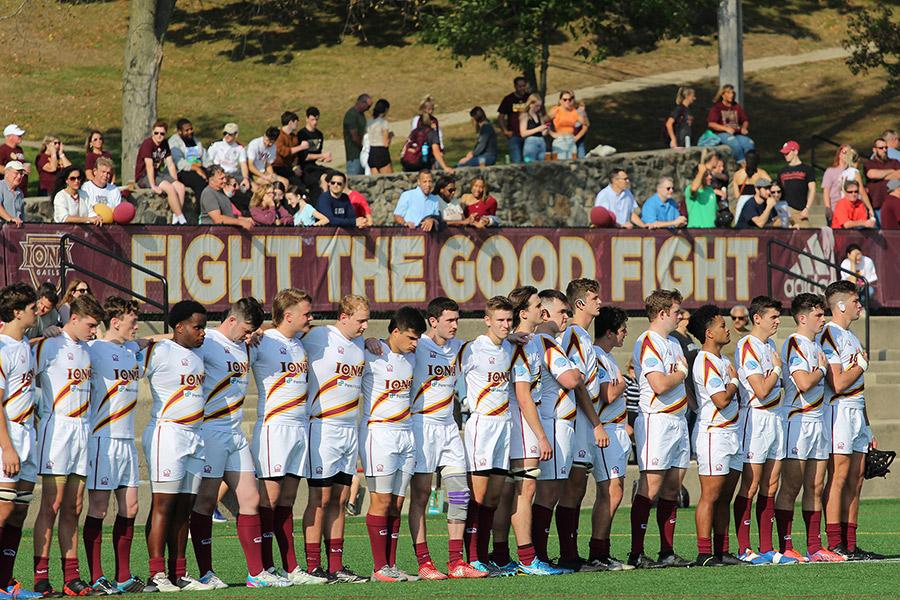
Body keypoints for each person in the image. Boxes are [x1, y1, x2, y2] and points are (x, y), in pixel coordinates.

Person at [189, 298, 286, 589]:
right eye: (246, 329)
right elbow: (173, 341)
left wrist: (257, 333)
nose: (248, 335)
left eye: (251, 331)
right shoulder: (208, 341)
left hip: (234, 433)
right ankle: (206, 572)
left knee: (251, 499)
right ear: (232, 320)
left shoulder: (245, 343)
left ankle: (256, 573)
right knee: (206, 501)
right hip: (211, 431)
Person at [249, 289, 329, 586]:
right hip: (275, 427)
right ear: (288, 315)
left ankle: (291, 567)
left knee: (288, 500)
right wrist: (253, 334)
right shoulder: (264, 341)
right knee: (268, 499)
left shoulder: (300, 343)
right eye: (306, 313)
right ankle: (264, 568)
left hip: (299, 428)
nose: (311, 317)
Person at [406, 298, 486, 580]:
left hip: (449, 427)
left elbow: (492, 345)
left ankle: (456, 562)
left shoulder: (460, 348)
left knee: (460, 493)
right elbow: (389, 346)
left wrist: (512, 337)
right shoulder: (418, 346)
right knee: (421, 494)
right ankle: (424, 562)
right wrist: (372, 342)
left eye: (457, 320)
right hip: (421, 425)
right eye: (449, 320)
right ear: (433, 321)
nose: (455, 325)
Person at [31, 294, 106, 596]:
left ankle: (71, 576)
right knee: (52, 504)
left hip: (82, 430)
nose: (94, 331)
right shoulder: (50, 344)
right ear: (73, 319)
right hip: (58, 428)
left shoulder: (88, 350)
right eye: (90, 325)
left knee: (75, 505)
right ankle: (40, 576)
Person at [141, 301, 214, 592]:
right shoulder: (159, 352)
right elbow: (129, 363)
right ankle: (156, 575)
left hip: (195, 436)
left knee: (185, 507)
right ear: (180, 326)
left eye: (204, 327)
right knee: (164, 505)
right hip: (167, 434)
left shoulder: (199, 352)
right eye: (198, 327)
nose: (202, 332)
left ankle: (179, 573)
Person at [488, 288, 559, 577]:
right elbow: (523, 394)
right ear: (523, 312)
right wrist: (541, 436)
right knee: (524, 488)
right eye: (537, 305)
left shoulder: (528, 341)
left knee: (513, 491)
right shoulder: (519, 345)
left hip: (521, 418)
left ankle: (502, 555)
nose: (543, 309)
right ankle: (528, 559)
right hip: (521, 419)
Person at [301, 294, 370, 583]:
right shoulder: (320, 336)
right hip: (323, 427)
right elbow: (282, 337)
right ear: (343, 317)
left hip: (348, 429)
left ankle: (336, 566)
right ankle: (313, 566)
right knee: (321, 498)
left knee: (341, 498)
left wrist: (371, 341)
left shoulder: (361, 343)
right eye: (361, 320)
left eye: (367, 321)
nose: (365, 326)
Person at [82, 297, 148, 594]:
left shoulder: (130, 349)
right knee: (98, 508)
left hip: (126, 441)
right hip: (102, 439)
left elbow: (151, 340)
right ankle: (97, 576)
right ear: (115, 321)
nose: (137, 326)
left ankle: (123, 576)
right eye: (132, 321)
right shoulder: (94, 349)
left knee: (130, 507)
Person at [773, 294, 844, 563]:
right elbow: (803, 382)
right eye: (818, 315)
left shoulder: (816, 346)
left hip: (818, 420)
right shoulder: (795, 343)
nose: (823, 319)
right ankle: (786, 545)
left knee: (815, 486)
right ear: (802, 318)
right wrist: (822, 370)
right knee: (791, 486)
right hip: (798, 421)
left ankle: (815, 547)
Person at [359, 307, 426, 582]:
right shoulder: (371, 353)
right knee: (382, 500)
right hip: (379, 433)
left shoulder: (412, 356)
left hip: (406, 433)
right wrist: (366, 340)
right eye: (411, 337)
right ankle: (379, 568)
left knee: (397, 503)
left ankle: (391, 565)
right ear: (395, 332)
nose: (415, 343)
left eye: (418, 338)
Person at [628, 289, 692, 569]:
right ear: (663, 313)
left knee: (672, 487)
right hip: (657, 420)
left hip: (677, 419)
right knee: (651, 486)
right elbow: (660, 384)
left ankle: (667, 551)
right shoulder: (648, 341)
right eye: (677, 311)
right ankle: (636, 552)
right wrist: (681, 373)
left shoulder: (674, 343)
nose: (680, 316)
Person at [819, 281, 883, 561]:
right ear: (842, 305)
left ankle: (851, 543)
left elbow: (858, 386)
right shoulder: (829, 334)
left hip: (856, 410)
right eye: (855, 301)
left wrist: (867, 426)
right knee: (839, 476)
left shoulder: (852, 336)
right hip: (839, 410)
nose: (860, 305)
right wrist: (861, 365)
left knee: (856, 479)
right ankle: (835, 542)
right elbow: (837, 383)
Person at [732, 296, 797, 565]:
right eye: (773, 317)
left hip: (775, 417)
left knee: (771, 483)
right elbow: (760, 389)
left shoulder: (770, 345)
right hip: (755, 417)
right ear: (757, 318)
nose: (778, 321)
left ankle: (767, 548)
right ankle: (744, 548)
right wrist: (778, 369)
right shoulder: (747, 345)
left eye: (778, 316)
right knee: (752, 483)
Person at [457, 296, 516, 575]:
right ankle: (473, 558)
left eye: (509, 320)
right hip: (482, 426)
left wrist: (516, 336)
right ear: (487, 320)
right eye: (500, 320)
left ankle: (484, 556)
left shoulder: (510, 347)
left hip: (504, 426)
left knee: (494, 498)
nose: (505, 325)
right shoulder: (471, 349)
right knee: (478, 497)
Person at [557, 279, 609, 572]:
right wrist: (596, 423)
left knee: (577, 487)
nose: (599, 302)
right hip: (578, 418)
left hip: (585, 418)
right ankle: (568, 556)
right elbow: (577, 384)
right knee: (573, 487)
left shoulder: (583, 336)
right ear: (579, 303)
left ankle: (572, 554)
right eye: (594, 297)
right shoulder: (574, 334)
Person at [687, 305, 743, 567]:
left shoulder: (724, 361)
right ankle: (704, 552)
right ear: (709, 333)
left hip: (731, 432)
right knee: (710, 495)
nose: (727, 328)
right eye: (722, 325)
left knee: (724, 496)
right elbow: (721, 399)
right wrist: (734, 382)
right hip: (714, 434)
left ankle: (722, 550)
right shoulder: (705, 360)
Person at [0, 283, 41, 599]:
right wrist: (7, 447)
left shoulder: (25, 344)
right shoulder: (3, 349)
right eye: (31, 308)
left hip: (28, 434)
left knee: (19, 511)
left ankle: (6, 582)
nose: (37, 312)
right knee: (3, 510)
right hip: (9, 436)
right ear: (16, 312)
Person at [588, 307, 636, 570]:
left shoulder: (608, 357)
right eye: (622, 330)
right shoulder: (596, 356)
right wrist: (623, 383)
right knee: (610, 491)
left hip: (617, 429)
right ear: (609, 332)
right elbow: (606, 394)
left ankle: (603, 551)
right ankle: (598, 552)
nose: (625, 334)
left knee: (615, 491)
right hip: (605, 430)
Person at [134, 120, 187, 224]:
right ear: (152, 132)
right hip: (144, 176)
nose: (159, 135)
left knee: (180, 187)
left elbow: (170, 164)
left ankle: (176, 216)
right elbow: (149, 166)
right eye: (156, 133)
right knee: (170, 188)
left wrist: (174, 180)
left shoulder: (164, 143)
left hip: (157, 174)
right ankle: (181, 218)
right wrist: (153, 186)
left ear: (165, 134)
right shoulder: (147, 144)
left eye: (162, 133)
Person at [822, 145, 874, 222]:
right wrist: (870, 208)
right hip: (841, 206)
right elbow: (862, 191)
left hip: (845, 206)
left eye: (848, 153)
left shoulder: (844, 172)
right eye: (844, 152)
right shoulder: (853, 172)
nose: (847, 155)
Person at [706, 84, 754, 164]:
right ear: (723, 95)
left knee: (749, 143)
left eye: (732, 93)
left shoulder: (736, 106)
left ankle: (751, 164)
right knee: (735, 144)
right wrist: (725, 128)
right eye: (728, 93)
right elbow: (711, 124)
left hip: (737, 133)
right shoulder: (717, 107)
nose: (731, 95)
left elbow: (745, 120)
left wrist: (744, 128)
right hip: (722, 133)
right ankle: (741, 164)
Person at [199, 165, 254, 230]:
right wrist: (240, 222)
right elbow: (218, 219)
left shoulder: (221, 192)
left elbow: (228, 216)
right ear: (211, 181)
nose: (225, 180)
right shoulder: (209, 193)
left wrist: (244, 219)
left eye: (224, 177)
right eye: (221, 178)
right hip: (211, 233)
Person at [168, 118, 208, 202]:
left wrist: (212, 169)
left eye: (191, 129)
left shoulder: (196, 141)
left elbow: (205, 158)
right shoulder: (174, 143)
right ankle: (201, 207)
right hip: (183, 171)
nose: (190, 132)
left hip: (199, 167)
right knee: (199, 181)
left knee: (216, 178)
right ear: (179, 131)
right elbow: (179, 163)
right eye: (186, 130)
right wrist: (196, 169)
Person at [776, 140, 816, 223]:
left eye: (787, 153)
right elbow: (778, 191)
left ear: (795, 152)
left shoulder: (807, 169)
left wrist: (807, 208)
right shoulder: (781, 171)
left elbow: (812, 190)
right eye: (784, 153)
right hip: (784, 210)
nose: (785, 155)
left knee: (805, 231)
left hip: (800, 211)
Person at [863, 137, 900, 224]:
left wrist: (881, 176)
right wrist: (892, 171)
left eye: (886, 147)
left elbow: (899, 174)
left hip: (895, 203)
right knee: (882, 231)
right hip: (877, 204)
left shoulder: (894, 162)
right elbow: (871, 174)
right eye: (881, 148)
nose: (884, 150)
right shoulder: (869, 163)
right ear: (874, 150)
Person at [206, 123, 251, 192]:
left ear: (236, 134)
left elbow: (243, 165)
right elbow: (208, 161)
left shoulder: (240, 148)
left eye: (230, 134)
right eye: (225, 133)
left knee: (251, 186)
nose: (226, 136)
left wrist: (245, 178)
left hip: (233, 174)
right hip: (219, 174)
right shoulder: (216, 144)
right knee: (231, 186)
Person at [497, 76, 530, 163]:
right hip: (514, 135)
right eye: (520, 86)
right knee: (517, 161)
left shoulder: (529, 98)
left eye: (524, 86)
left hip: (528, 134)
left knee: (528, 161)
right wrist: (505, 131)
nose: (522, 88)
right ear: (515, 86)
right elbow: (500, 117)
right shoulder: (508, 99)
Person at [685, 153, 723, 228]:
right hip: (696, 231)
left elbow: (714, 212)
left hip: (712, 231)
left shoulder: (710, 191)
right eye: (706, 175)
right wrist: (701, 171)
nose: (710, 177)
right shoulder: (689, 189)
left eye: (710, 174)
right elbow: (694, 189)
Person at [298, 107, 332, 190]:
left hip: (314, 165)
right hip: (304, 168)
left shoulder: (319, 134)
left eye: (316, 119)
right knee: (324, 178)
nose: (315, 122)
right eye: (312, 120)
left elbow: (317, 155)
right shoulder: (302, 134)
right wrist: (322, 155)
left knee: (336, 175)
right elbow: (304, 156)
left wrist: (324, 158)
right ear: (307, 119)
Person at [273, 111, 308, 186]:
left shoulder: (294, 137)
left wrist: (295, 167)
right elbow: (283, 151)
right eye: (296, 122)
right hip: (276, 167)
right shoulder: (278, 135)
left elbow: (295, 156)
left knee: (303, 183)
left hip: (288, 168)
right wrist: (301, 147)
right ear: (290, 122)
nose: (297, 125)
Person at [548, 91, 585, 160]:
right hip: (560, 140)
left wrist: (577, 137)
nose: (567, 101)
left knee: (572, 163)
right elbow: (545, 121)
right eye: (565, 100)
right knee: (560, 163)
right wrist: (551, 133)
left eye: (569, 99)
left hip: (571, 140)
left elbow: (585, 124)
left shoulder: (574, 111)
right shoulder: (556, 110)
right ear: (560, 101)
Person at [342, 94, 371, 176]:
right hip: (354, 155)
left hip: (362, 155)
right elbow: (354, 137)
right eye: (368, 106)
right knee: (354, 179)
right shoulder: (351, 115)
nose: (368, 109)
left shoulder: (361, 115)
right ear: (362, 103)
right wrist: (364, 146)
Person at [519, 94, 549, 163]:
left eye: (539, 106)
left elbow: (543, 133)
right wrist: (538, 129)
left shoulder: (539, 116)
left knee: (542, 165)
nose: (538, 108)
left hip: (541, 141)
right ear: (530, 104)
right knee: (530, 164)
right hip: (531, 142)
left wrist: (546, 129)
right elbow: (523, 133)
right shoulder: (525, 115)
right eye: (536, 106)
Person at [0, 124, 29, 194]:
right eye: (18, 135)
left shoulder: (19, 149)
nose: (21, 137)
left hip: (21, 189)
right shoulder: (2, 150)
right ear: (10, 136)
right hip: (9, 190)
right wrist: (17, 171)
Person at [367, 99, 393, 174]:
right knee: (388, 178)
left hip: (372, 152)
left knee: (375, 179)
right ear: (386, 110)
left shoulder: (369, 122)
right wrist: (390, 136)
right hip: (381, 152)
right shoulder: (383, 123)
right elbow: (386, 143)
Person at [0, 161, 26, 225]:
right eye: (16, 173)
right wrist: (10, 219)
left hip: (14, 229)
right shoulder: (1, 186)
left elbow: (21, 216)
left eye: (21, 173)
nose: (19, 176)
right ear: (7, 173)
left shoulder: (20, 193)